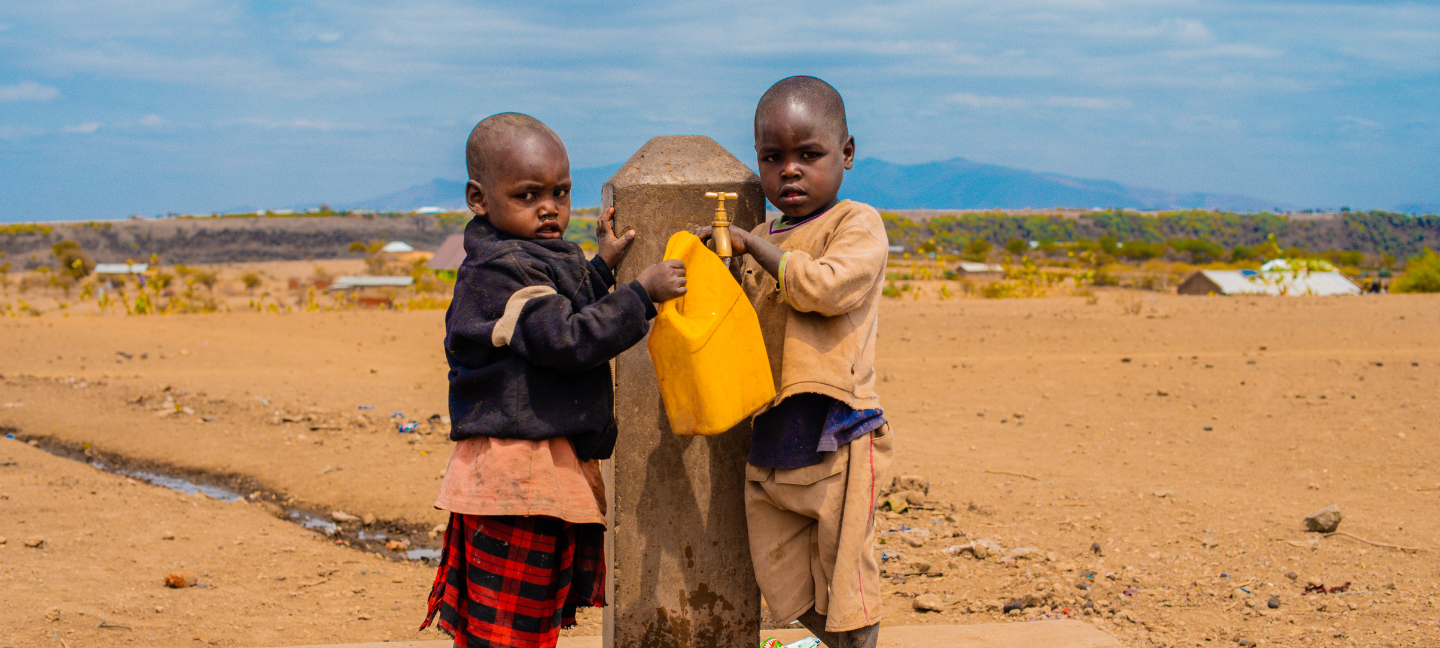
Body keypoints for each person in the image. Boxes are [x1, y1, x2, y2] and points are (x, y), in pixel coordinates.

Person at [421, 112, 687, 648]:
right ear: (479, 198)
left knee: (523, 626)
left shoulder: (525, 259)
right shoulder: (497, 272)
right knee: (509, 633)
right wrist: (640, 295)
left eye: (560, 193)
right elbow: (566, 339)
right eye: (527, 194)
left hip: (533, 479)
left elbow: (556, 315)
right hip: (513, 481)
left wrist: (601, 270)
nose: (549, 208)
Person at [704, 76, 893, 648]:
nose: (790, 170)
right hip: (772, 433)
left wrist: (754, 247)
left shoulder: (855, 224)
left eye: (808, 155)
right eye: (773, 157)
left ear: (847, 154)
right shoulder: (760, 236)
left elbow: (826, 288)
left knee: (846, 580)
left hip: (838, 432)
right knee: (784, 578)